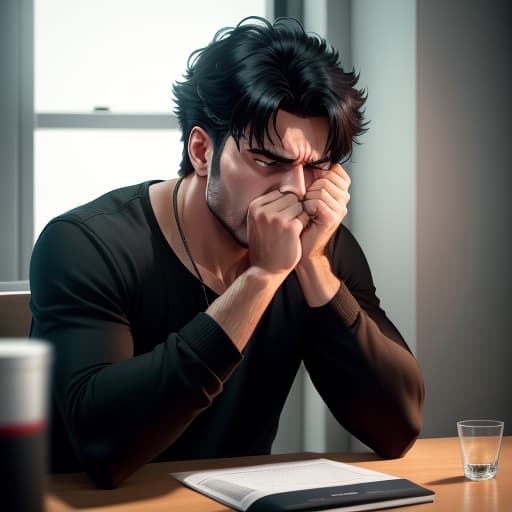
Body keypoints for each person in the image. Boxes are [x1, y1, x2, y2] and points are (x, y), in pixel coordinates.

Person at [30, 16, 424, 489]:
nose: (296, 191)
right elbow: (102, 447)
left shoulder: (322, 248)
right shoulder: (85, 243)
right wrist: (260, 278)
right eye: (267, 161)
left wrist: (314, 268)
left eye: (317, 166)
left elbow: (397, 429)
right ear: (201, 150)